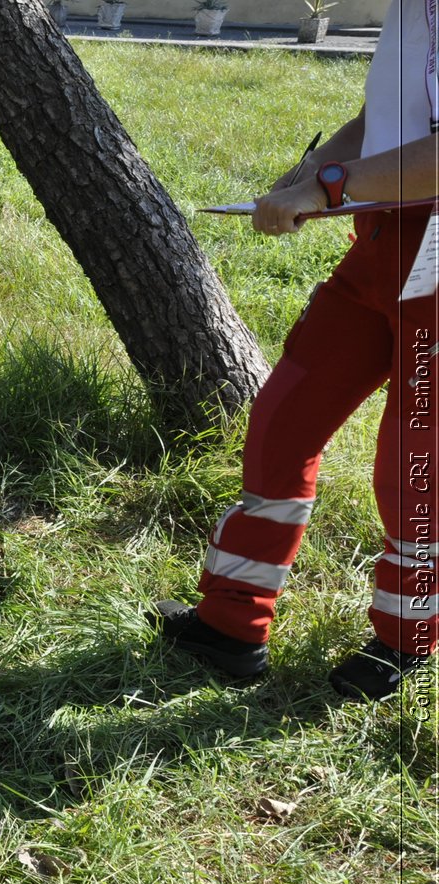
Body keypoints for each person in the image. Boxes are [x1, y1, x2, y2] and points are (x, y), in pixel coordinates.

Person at [152, 0, 436, 700]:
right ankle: (231, 625)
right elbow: (382, 121)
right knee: (283, 418)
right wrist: (311, 171)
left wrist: (329, 187)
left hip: (435, 260)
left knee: (414, 462)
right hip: (379, 246)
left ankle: (408, 641)